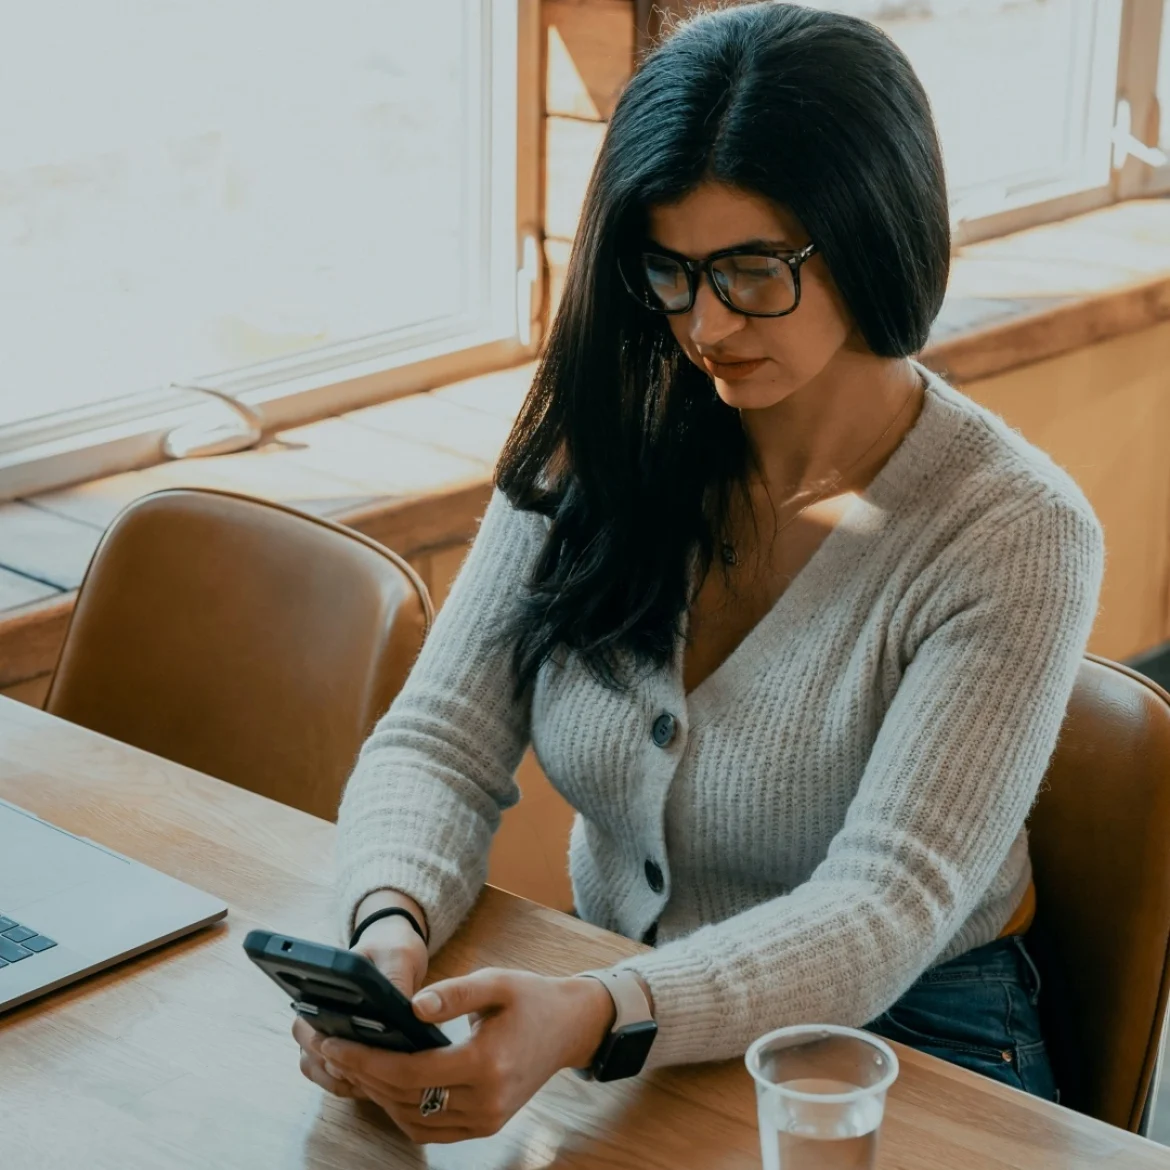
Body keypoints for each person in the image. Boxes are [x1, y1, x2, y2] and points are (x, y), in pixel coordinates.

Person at [294, 2, 1103, 1142]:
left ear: (873, 229)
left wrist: (594, 1014)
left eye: (753, 270)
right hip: (620, 1014)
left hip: (910, 1048)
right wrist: (387, 933)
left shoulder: (1012, 530)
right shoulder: (604, 442)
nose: (705, 324)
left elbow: (880, 908)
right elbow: (437, 741)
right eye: (667, 271)